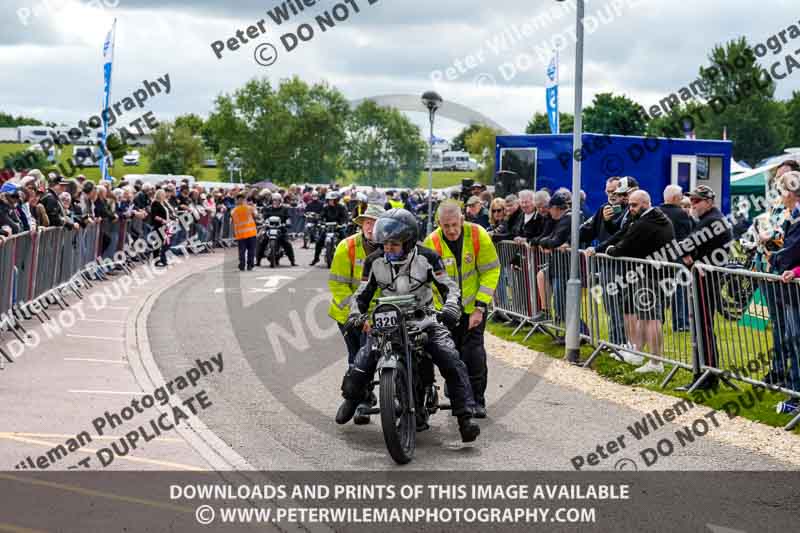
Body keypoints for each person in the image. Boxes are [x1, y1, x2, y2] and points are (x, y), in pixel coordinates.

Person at [335, 209, 481, 442]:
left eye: (394, 243)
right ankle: (352, 399)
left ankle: (465, 417)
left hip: (424, 319)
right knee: (362, 362)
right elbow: (362, 295)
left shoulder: (428, 257)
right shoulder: (374, 261)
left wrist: (452, 306)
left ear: (409, 241)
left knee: (450, 357)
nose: (387, 248)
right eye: (384, 243)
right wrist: (355, 315)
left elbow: (449, 287)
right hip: (387, 320)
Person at [423, 201, 500, 418]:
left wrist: (480, 307)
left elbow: (491, 271)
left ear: (462, 219)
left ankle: (476, 400)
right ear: (439, 223)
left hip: (473, 308)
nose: (451, 230)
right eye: (446, 226)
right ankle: (456, 390)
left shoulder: (478, 235)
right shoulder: (432, 242)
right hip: (445, 311)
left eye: (454, 224)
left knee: (473, 355)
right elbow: (426, 280)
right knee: (450, 355)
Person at [604, 190, 675, 373]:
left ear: (645, 203)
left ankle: (655, 362)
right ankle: (639, 353)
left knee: (652, 318)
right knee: (645, 317)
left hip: (650, 275)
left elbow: (625, 247)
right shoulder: (656, 217)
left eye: (634, 205)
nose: (631, 208)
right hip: (653, 273)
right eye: (629, 205)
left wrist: (610, 249)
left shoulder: (645, 222)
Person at [327, 204, 386, 424]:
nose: (371, 227)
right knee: (357, 358)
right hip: (348, 315)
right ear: (361, 225)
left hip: (380, 315)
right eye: (367, 223)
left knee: (369, 356)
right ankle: (362, 400)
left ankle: (364, 400)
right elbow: (338, 286)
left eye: (376, 222)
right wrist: (358, 315)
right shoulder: (347, 247)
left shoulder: (391, 247)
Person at [677, 185, 733, 391]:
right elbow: (685, 247)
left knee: (703, 327)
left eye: (697, 201)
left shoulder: (712, 221)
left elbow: (684, 245)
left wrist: (688, 256)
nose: (692, 205)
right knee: (700, 327)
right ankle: (703, 373)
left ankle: (708, 376)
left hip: (706, 278)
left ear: (709, 202)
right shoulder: (707, 219)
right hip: (703, 275)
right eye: (691, 201)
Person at [659, 185, 694, 332]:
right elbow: (687, 237)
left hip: (659, 258)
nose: (681, 199)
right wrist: (687, 255)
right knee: (680, 290)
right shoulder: (681, 213)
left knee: (660, 290)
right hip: (677, 258)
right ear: (674, 198)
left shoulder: (656, 212)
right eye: (680, 197)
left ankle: (658, 320)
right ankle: (681, 323)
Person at [310, 191, 349, 266]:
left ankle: (347, 258)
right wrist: (319, 222)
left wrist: (343, 224)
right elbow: (321, 216)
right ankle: (316, 258)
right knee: (318, 242)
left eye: (332, 200)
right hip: (327, 227)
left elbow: (345, 217)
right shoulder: (326, 208)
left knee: (345, 240)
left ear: (337, 200)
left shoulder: (341, 207)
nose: (330, 201)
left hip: (338, 227)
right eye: (329, 200)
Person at [258, 193, 297, 267]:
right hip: (269, 229)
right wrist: (262, 222)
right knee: (262, 242)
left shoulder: (284, 209)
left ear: (280, 201)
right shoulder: (268, 209)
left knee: (287, 243)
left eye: (277, 200)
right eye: (274, 200)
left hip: (281, 229)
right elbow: (264, 217)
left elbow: (288, 218)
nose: (275, 202)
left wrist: (288, 223)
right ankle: (258, 261)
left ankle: (292, 261)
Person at [231, 193, 258, 271]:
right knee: (251, 250)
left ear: (237, 201)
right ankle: (250, 265)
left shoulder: (234, 210)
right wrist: (254, 207)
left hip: (240, 234)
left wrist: (234, 233)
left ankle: (242, 265)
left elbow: (233, 221)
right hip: (251, 233)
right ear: (244, 200)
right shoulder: (249, 208)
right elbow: (256, 215)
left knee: (242, 251)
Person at [149, 189, 171, 267]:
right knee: (157, 244)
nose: (164, 195)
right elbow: (154, 216)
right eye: (163, 194)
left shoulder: (162, 203)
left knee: (162, 243)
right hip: (158, 226)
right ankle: (156, 260)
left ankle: (162, 259)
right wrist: (163, 220)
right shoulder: (155, 203)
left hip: (164, 225)